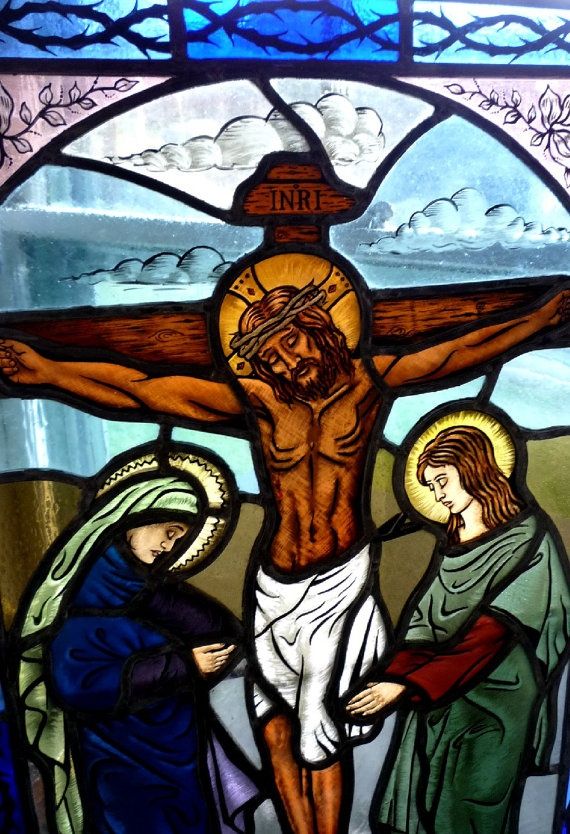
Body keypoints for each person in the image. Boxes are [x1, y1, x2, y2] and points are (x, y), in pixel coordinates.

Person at [1, 282, 568, 834]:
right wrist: (50, 371)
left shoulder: (368, 384)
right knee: (273, 722)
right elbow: (146, 389)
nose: (287, 364)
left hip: (337, 584)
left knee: (322, 727)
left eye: (290, 343)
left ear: (317, 326)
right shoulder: (263, 404)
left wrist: (540, 319)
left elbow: (454, 353)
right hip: (273, 587)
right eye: (270, 358)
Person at [347, 424, 570, 834]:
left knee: (467, 811)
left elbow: (493, 634)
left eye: (443, 480)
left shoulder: (529, 540)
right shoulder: (452, 545)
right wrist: (394, 677)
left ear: (474, 469)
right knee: (422, 807)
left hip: (495, 703)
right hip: (436, 699)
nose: (438, 495)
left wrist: (405, 684)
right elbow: (424, 627)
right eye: (431, 486)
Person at [14, 467, 260, 834]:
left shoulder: (138, 588)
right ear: (136, 518)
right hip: (121, 762)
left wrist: (152, 595)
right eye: (169, 532)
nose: (170, 547)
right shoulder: (81, 596)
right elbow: (79, 684)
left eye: (181, 540)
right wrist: (184, 666)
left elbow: (220, 629)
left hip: (176, 757)